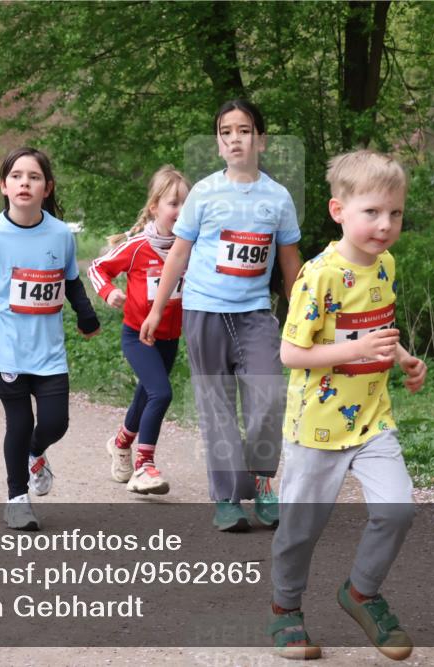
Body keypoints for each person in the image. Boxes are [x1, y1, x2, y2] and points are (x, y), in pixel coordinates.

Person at [267, 150, 427, 661]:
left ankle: (361, 592)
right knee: (300, 530)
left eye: (395, 214)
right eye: (372, 212)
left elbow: (377, 329)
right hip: (316, 425)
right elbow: (291, 352)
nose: (385, 225)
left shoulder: (386, 265)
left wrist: (403, 358)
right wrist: (357, 351)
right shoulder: (319, 276)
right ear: (339, 211)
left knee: (397, 508)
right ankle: (285, 609)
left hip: (372, 419)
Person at [139, 99, 302, 531]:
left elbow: (290, 264)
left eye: (244, 130)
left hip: (254, 315)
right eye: (226, 131)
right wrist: (157, 310)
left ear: (261, 140)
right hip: (204, 312)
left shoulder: (278, 197)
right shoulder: (204, 194)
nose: (235, 138)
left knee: (268, 400)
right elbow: (179, 253)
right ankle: (227, 497)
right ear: (217, 143)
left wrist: (304, 317)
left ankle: (264, 484)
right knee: (218, 410)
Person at [0, 147, 100, 531]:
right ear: (4, 186)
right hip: (7, 351)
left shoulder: (59, 234)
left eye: (34, 177)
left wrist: (87, 317)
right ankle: (17, 498)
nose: (25, 182)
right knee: (18, 423)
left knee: (56, 423)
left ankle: (36, 452)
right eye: (17, 176)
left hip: (48, 351)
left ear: (47, 187)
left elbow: (70, 281)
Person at [88, 166, 191, 495]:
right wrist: (109, 292)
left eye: (186, 204)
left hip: (169, 338)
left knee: (146, 394)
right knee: (161, 393)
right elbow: (97, 267)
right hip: (138, 336)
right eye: (174, 203)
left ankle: (121, 443)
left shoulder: (191, 246)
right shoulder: (136, 247)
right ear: (154, 208)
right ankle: (144, 466)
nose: (180, 211)